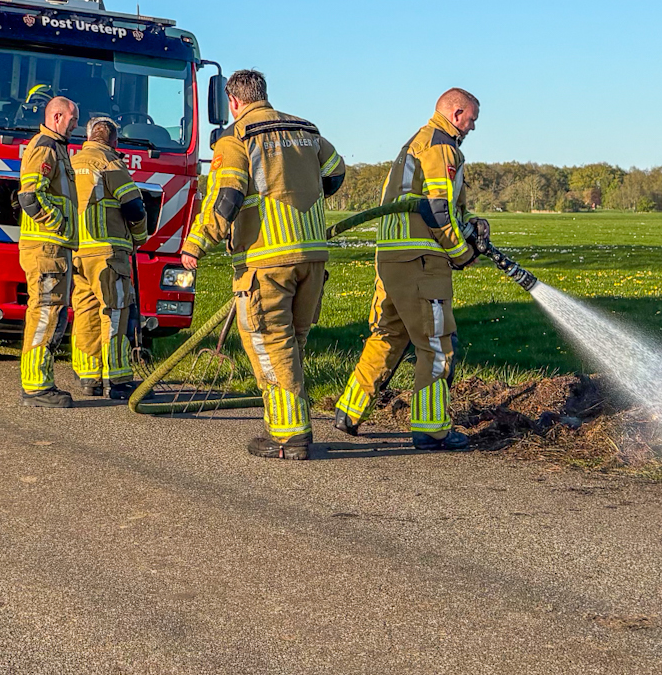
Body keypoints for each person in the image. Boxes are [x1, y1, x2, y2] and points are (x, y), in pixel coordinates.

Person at [181, 69, 346, 459]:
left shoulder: (236, 138)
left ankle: (289, 438)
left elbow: (227, 197)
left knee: (269, 345)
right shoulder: (305, 130)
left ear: (233, 102)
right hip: (312, 258)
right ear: (264, 95)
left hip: (266, 260)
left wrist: (196, 245)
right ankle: (288, 423)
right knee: (292, 343)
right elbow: (336, 174)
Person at [333, 88, 491, 450]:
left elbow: (436, 206)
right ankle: (431, 429)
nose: (473, 128)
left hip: (393, 259)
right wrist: (461, 253)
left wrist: (469, 227)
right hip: (421, 260)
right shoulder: (441, 147)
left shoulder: (418, 142)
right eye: (472, 119)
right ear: (456, 112)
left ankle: (348, 413)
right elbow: (436, 209)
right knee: (436, 345)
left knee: (388, 337)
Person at [70, 117, 150, 399]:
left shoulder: (71, 163)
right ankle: (117, 380)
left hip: (77, 254)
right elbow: (134, 208)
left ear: (88, 138)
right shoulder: (110, 163)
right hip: (107, 253)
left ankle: (89, 377)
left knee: (86, 313)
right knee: (114, 312)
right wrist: (140, 237)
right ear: (114, 141)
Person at [17, 95, 80, 407]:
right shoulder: (45, 146)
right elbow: (30, 197)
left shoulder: (57, 148)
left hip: (54, 249)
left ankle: (39, 382)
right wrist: (58, 224)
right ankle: (36, 387)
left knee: (51, 314)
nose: (76, 125)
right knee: (45, 314)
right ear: (57, 117)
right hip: (46, 248)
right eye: (72, 119)